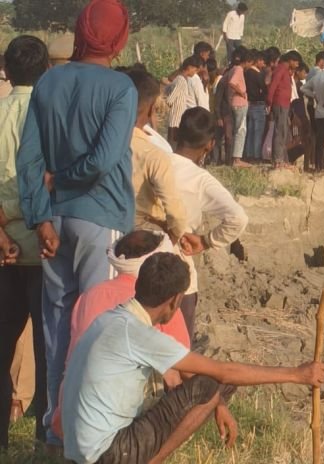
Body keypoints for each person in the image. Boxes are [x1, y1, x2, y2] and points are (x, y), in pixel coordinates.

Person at [61, 252, 324, 464]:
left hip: (79, 450)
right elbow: (220, 373)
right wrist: (297, 374)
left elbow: (191, 368)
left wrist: (219, 405)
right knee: (209, 385)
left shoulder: (112, 319)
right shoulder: (138, 334)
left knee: (209, 388)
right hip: (110, 453)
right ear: (175, 301)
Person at [15, 0, 137, 446]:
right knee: (97, 327)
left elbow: (27, 159)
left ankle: (55, 429)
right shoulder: (121, 90)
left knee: (57, 326)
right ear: (120, 37)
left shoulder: (48, 81)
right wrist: (64, 179)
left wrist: (40, 217)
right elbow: (104, 161)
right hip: (101, 220)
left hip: (53, 223)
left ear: (80, 32)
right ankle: (90, 435)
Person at [50, 230, 191, 439]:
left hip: (70, 420)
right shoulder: (160, 302)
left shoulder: (90, 295)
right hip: (118, 426)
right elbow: (188, 368)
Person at [0, 34, 50, 448]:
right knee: (48, 348)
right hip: (44, 246)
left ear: (6, 70)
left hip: (4, 245)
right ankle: (44, 440)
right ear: (46, 69)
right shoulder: (51, 117)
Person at [168, 107, 249, 343]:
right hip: (178, 266)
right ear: (210, 145)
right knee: (179, 350)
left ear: (176, 134)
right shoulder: (200, 179)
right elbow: (238, 218)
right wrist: (205, 241)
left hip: (138, 266)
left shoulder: (155, 161)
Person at [126, 68, 189, 243]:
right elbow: (175, 214)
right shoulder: (155, 152)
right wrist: (177, 233)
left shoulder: (104, 142)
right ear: (152, 108)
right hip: (144, 234)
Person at [267, 51, 302, 169]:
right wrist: (269, 102)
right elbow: (273, 86)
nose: (297, 65)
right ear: (291, 60)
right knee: (279, 131)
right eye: (296, 62)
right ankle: (277, 160)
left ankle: (280, 158)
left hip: (284, 104)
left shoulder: (286, 71)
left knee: (283, 132)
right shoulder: (281, 69)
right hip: (279, 104)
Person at [166, 55, 202, 148]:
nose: (195, 72)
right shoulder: (181, 80)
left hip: (178, 119)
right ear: (189, 67)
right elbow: (170, 100)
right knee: (173, 145)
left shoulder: (182, 79)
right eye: (194, 69)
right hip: (175, 120)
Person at [226, 46, 251, 167]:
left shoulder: (233, 69)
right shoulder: (239, 70)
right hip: (239, 103)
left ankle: (235, 157)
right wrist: (241, 92)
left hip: (235, 102)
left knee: (237, 130)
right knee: (241, 130)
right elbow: (232, 83)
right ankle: (237, 159)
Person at [244, 49, 267, 160]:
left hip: (250, 104)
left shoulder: (246, 72)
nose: (263, 64)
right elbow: (264, 88)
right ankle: (257, 155)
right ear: (258, 61)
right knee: (258, 132)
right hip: (258, 104)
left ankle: (249, 154)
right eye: (262, 61)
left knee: (250, 131)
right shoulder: (257, 74)